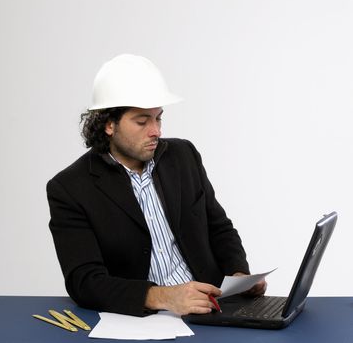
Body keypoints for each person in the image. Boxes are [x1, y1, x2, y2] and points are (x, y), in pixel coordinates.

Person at [47, 54, 266, 317]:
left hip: (212, 310)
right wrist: (163, 296)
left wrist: (239, 276)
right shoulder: (70, 188)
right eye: (142, 121)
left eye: (158, 118)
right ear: (108, 124)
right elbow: (84, 281)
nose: (156, 131)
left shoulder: (184, 156)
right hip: (140, 318)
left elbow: (219, 227)